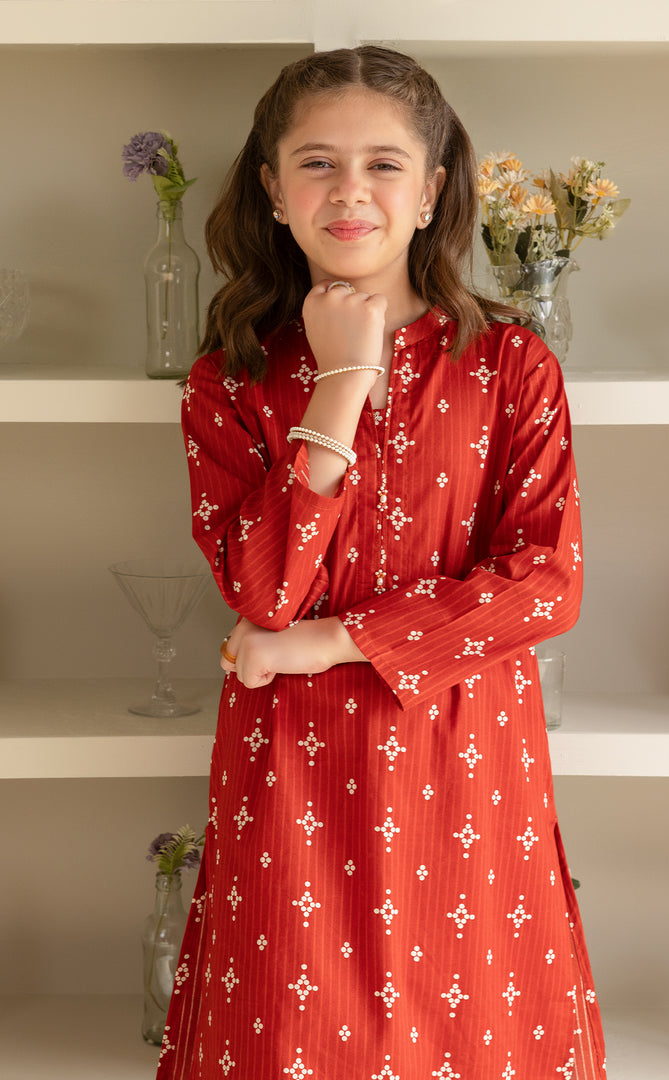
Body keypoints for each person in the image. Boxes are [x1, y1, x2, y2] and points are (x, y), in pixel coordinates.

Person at [158, 45, 605, 1080]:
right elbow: (261, 588)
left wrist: (329, 641)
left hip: (467, 765)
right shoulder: (229, 382)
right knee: (290, 1039)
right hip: (294, 783)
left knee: (478, 1036)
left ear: (432, 190)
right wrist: (343, 381)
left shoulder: (512, 366)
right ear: (274, 191)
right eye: (317, 163)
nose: (350, 190)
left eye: (383, 165)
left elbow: (547, 584)